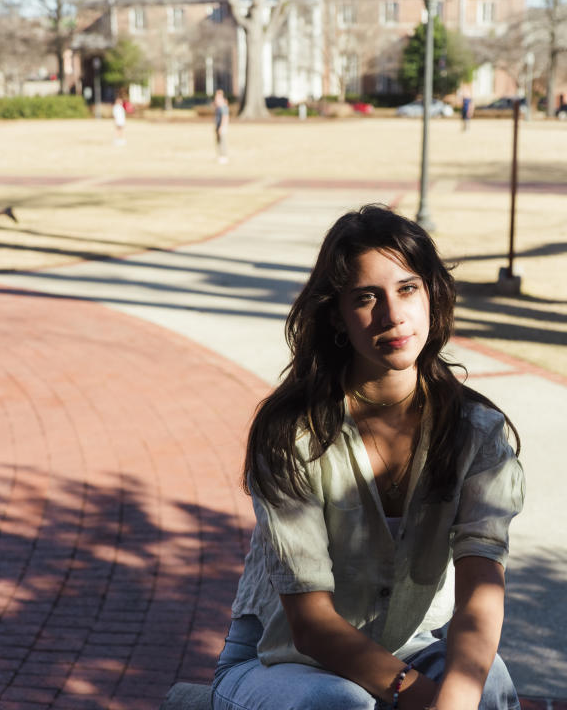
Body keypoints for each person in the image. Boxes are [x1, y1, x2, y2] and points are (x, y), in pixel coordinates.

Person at [212, 205, 525, 710]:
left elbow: (480, 593)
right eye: (366, 298)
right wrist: (421, 699)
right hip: (280, 661)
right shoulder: (293, 434)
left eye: (407, 289)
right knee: (337, 704)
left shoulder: (476, 433)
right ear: (337, 315)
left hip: (411, 647)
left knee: (486, 687)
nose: (393, 315)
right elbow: (311, 625)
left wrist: (458, 700)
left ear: (431, 296)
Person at [213, 89, 229, 163]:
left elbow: (224, 117)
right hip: (218, 126)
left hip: (222, 127)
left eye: (217, 97)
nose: (216, 99)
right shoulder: (218, 107)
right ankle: (220, 156)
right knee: (218, 142)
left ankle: (224, 156)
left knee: (223, 142)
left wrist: (221, 127)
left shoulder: (223, 107)